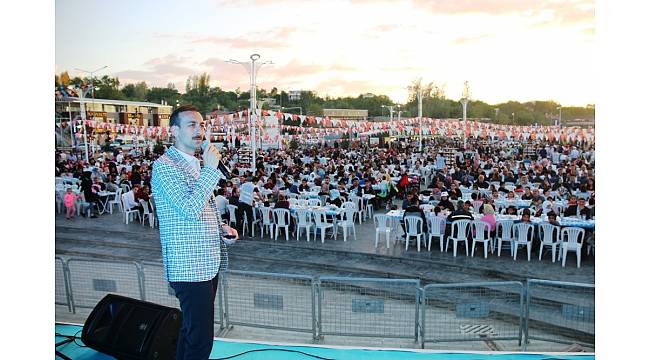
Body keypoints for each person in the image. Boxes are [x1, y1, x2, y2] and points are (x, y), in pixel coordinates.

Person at [151, 104, 238, 360]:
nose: (199, 130)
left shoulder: (196, 164)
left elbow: (200, 210)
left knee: (191, 333)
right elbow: (189, 208)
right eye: (192, 125)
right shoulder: (165, 166)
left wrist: (221, 228)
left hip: (207, 263)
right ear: (174, 131)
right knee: (200, 340)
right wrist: (211, 169)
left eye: (201, 125)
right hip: (189, 267)